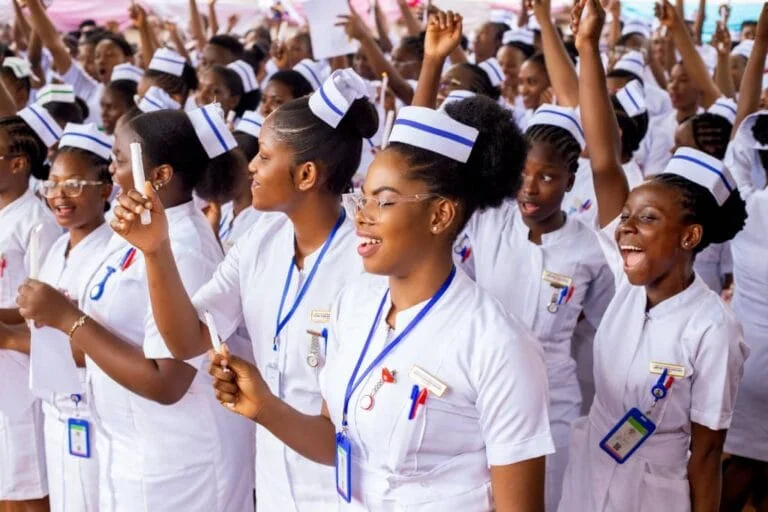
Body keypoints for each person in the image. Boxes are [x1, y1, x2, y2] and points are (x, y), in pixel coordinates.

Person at [207, 12, 555, 511]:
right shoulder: (356, 304)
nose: (363, 218)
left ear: (440, 215)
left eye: (385, 201)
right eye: (364, 198)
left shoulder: (497, 344)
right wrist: (264, 406)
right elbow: (338, 442)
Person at [107, 70, 378, 510]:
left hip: (345, 485)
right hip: (274, 476)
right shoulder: (262, 237)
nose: (250, 164)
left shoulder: (367, 259)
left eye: (265, 157)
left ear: (306, 174)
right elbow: (185, 339)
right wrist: (156, 250)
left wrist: (265, 405)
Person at [15, 105, 254, 511]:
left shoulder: (186, 250)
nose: (111, 169)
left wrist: (69, 319)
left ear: (159, 175)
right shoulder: (133, 227)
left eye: (120, 159)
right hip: (130, 450)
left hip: (180, 462)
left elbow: (167, 382)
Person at [559, 1, 749, 511]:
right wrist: (587, 49)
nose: (626, 227)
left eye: (647, 219)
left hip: (655, 491)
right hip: (589, 471)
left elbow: (707, 455)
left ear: (689, 238)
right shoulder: (627, 289)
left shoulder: (713, 328)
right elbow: (604, 158)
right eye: (627, 216)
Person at [1, 122, 113, 512]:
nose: (60, 196)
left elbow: (91, 339)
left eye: (75, 185)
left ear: (106, 190)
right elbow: (34, 316)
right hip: (56, 409)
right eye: (54, 185)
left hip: (95, 412)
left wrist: (9, 338)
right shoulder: (58, 251)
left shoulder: (115, 255)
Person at [0, 104, 63, 512]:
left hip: (20, 371)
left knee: (26, 484)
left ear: (19, 163)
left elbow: (42, 307)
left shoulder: (37, 221)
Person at [720, 11, 768, 507]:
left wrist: (758, 50)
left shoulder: (749, 205)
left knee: (737, 476)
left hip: (747, 365)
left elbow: (742, 127)